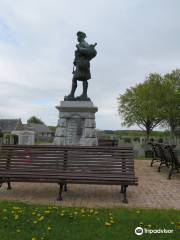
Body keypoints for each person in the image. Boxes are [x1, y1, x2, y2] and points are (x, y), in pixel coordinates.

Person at [64, 31, 97, 101]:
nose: (77, 38)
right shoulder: (83, 43)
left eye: (78, 36)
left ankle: (73, 94)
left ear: (81, 37)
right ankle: (82, 94)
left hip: (82, 63)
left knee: (76, 79)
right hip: (82, 63)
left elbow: (87, 51)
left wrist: (79, 48)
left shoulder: (83, 43)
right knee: (83, 79)